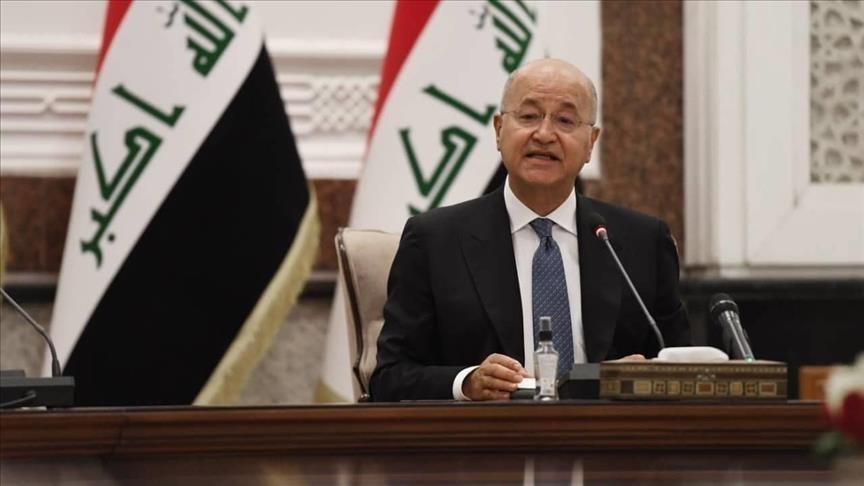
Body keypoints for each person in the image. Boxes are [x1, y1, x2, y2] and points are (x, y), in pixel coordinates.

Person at [369, 58, 690, 402]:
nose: (545, 134)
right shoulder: (435, 241)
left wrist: (639, 378)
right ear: (498, 130)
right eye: (529, 116)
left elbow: (685, 370)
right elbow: (389, 377)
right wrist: (467, 382)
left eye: (565, 120)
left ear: (591, 142)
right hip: (486, 432)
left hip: (609, 431)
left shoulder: (642, 242)